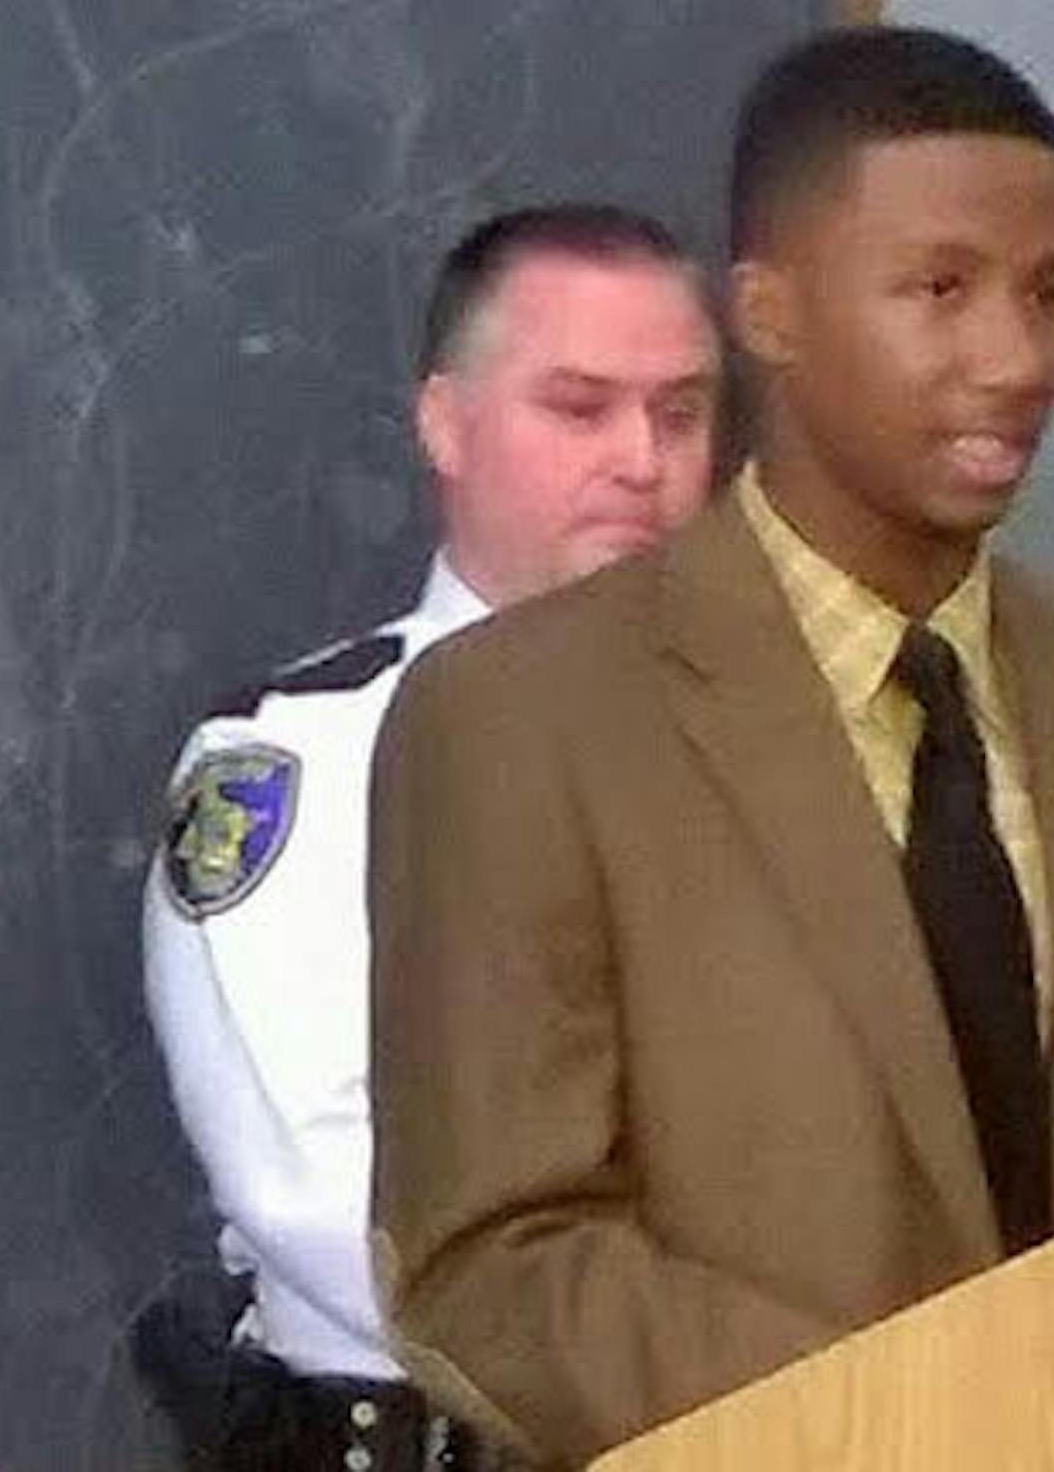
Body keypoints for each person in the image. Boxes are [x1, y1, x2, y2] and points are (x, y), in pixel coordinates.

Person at [367, 25, 1054, 1467]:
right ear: (769, 310)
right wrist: (924, 1421)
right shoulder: (522, 718)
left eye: (1051, 293)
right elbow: (493, 1261)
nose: (1017, 360)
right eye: (941, 289)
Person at [139, 203, 720, 1469]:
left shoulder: (775, 747)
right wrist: (724, 1392)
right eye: (580, 406)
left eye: (681, 414)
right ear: (445, 425)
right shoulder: (300, 758)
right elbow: (319, 1189)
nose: (642, 459)